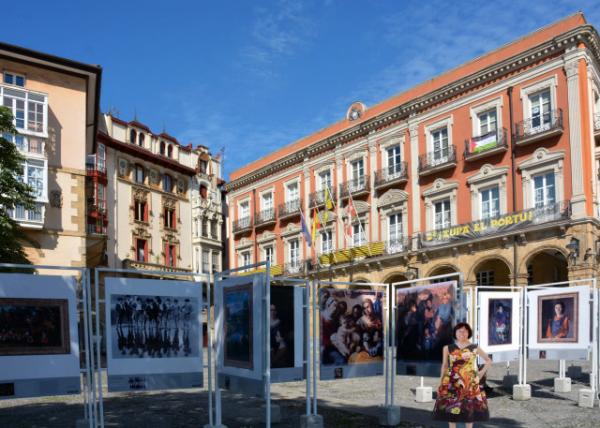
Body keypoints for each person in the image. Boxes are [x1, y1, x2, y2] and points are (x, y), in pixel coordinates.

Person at [433, 322, 491, 427]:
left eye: (464, 331)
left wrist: (481, 372)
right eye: (459, 331)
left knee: (469, 409)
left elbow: (488, 360)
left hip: (470, 381)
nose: (462, 333)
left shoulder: (474, 347)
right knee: (451, 408)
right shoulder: (447, 348)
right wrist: (440, 382)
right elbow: (445, 365)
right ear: (455, 333)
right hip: (451, 381)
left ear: (468, 333)